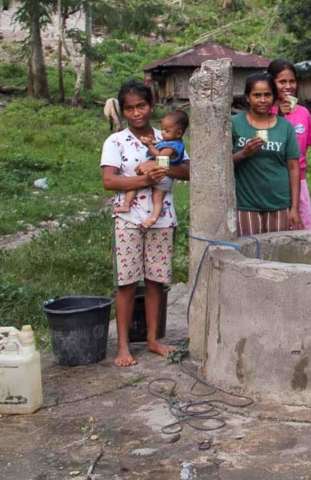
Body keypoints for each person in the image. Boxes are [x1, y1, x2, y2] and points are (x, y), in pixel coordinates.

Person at [100, 80, 190, 367]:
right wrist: (144, 179)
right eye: (129, 108)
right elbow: (109, 180)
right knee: (126, 282)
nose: (136, 113)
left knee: (156, 280)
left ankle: (153, 339)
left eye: (141, 106)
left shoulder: (168, 136)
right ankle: (123, 345)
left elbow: (187, 170)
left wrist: (158, 165)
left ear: (151, 106)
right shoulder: (115, 141)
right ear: (123, 111)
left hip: (162, 219)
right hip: (127, 219)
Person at [232, 72, 302, 235]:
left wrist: (294, 208)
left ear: (274, 97)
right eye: (257, 95)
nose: (262, 100)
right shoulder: (235, 124)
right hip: (245, 203)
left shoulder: (285, 127)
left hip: (278, 202)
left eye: (267, 95)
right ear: (248, 98)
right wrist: (244, 153)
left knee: (276, 255)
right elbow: (221, 163)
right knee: (249, 253)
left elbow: (293, 168)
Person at [115, 110, 188, 229]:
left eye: (167, 131)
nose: (163, 133)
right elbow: (161, 145)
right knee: (157, 197)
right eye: (163, 129)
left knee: (137, 184)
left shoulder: (171, 147)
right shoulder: (174, 142)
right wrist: (153, 142)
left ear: (179, 133)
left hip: (161, 175)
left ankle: (128, 205)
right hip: (166, 176)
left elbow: (161, 158)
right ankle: (152, 217)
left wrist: (149, 146)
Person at [267, 59, 311, 230]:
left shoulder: (303, 113)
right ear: (271, 83)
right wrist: (278, 116)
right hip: (272, 182)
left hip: (299, 182)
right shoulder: (265, 112)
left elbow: (305, 148)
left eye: (292, 81)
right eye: (282, 81)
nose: (288, 86)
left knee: (303, 233)